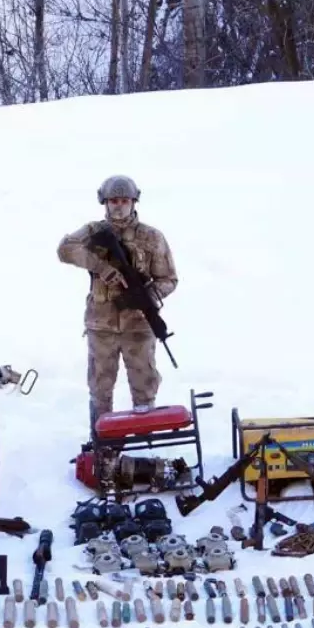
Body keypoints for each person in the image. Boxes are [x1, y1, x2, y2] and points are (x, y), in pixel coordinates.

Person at [57, 174, 178, 437]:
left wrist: (147, 295)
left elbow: (169, 279)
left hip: (138, 325)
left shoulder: (152, 237)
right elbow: (65, 250)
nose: (119, 206)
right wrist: (103, 269)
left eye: (124, 200)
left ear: (134, 202)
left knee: (144, 385)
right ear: (105, 202)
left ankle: (144, 441)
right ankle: (103, 443)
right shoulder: (93, 232)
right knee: (100, 387)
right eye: (114, 200)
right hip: (101, 324)